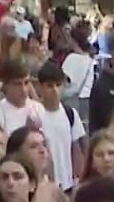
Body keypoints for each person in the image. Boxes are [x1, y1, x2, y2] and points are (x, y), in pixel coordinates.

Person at [35, 61, 88, 191]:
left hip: (68, 184)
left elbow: (76, 147)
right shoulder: (34, 115)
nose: (55, 90)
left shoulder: (70, 114)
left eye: (58, 85)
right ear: (40, 87)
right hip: (44, 186)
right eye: (49, 86)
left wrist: (80, 179)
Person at [0, 59, 48, 135]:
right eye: (17, 84)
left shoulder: (38, 108)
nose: (24, 90)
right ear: (5, 85)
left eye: (26, 83)